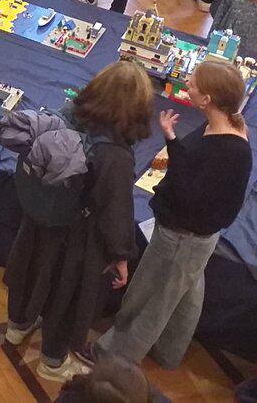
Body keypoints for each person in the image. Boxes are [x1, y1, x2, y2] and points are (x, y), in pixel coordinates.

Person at [97, 61, 252, 370]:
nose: (187, 85)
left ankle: (114, 358)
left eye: (192, 84)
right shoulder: (225, 125)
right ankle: (168, 351)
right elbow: (195, 172)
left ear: (207, 99)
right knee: (184, 289)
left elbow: (194, 194)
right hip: (194, 239)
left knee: (151, 298)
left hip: (181, 237)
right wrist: (171, 139)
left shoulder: (227, 151)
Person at [4, 61, 152, 383]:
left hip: (40, 222)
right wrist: (121, 257)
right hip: (78, 243)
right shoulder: (115, 154)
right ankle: (52, 362)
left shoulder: (69, 114)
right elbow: (115, 211)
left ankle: (17, 327)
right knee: (67, 300)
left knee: (29, 275)